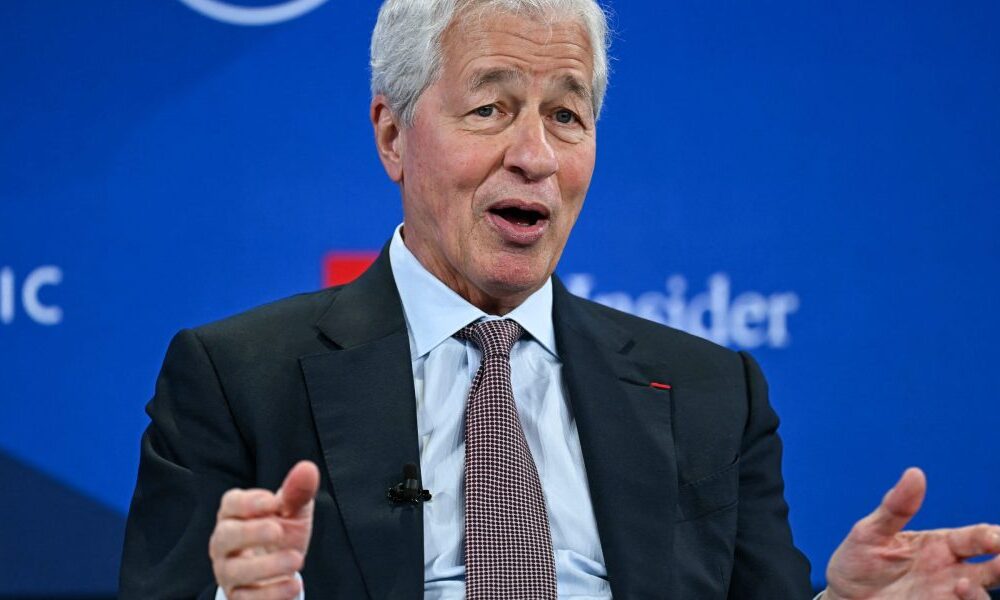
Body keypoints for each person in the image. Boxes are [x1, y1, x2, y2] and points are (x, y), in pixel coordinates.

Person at [119, 0, 1000, 598]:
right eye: (491, 109)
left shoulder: (711, 393)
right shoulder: (237, 380)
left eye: (567, 116)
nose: (535, 156)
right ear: (392, 134)